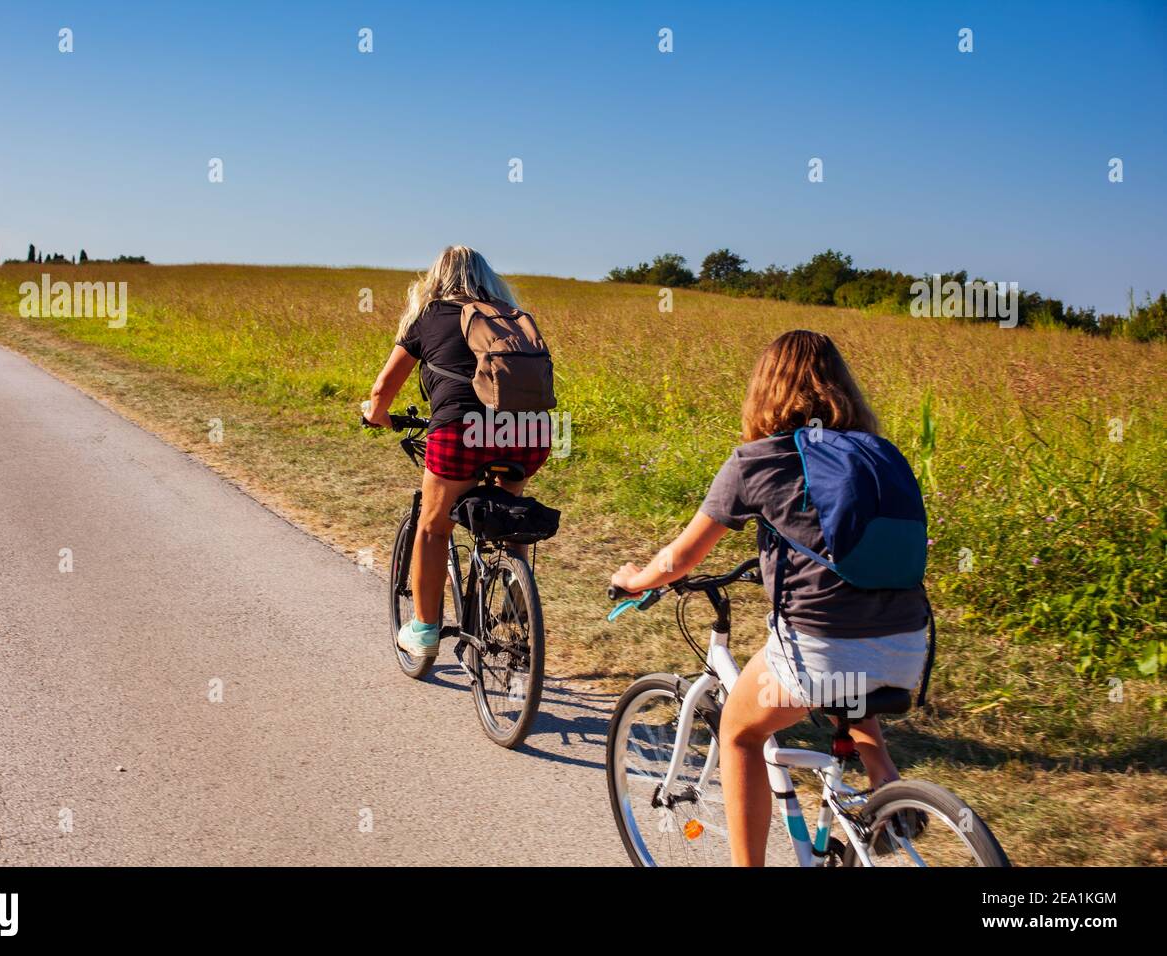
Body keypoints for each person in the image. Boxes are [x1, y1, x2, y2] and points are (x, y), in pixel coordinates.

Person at [609, 329, 929, 866]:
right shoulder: (879, 454)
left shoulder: (758, 460)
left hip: (824, 650)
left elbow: (679, 561)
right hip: (907, 644)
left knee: (738, 731)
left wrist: (634, 578)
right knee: (847, 685)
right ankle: (889, 790)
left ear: (765, 389)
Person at [365, 246, 552, 657]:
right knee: (511, 515)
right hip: (529, 431)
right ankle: (517, 599)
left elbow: (383, 389)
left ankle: (425, 631)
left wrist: (378, 415)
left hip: (461, 431)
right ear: (488, 278)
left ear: (436, 278)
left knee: (433, 527)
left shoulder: (429, 315)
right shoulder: (510, 315)